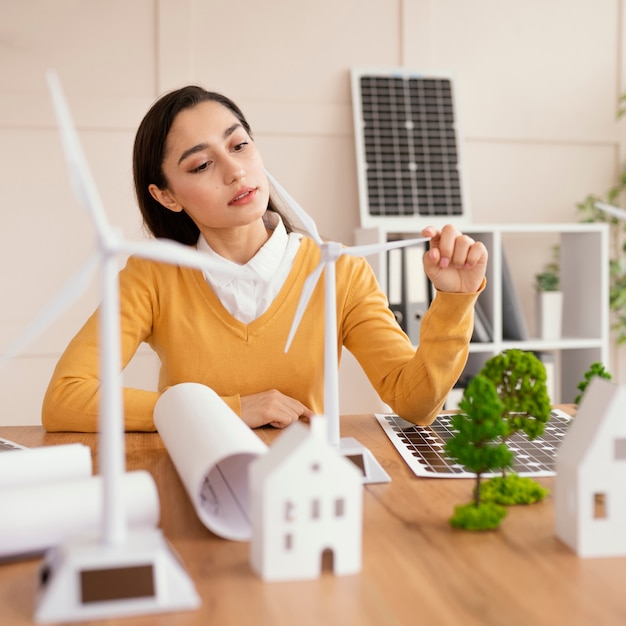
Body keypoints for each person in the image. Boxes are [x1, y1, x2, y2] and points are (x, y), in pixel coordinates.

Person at [41, 85, 488, 433]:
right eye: (201, 165)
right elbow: (65, 398)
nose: (235, 171)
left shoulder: (339, 270)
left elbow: (415, 403)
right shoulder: (153, 276)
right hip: (194, 479)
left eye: (239, 146)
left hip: (305, 481)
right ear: (166, 196)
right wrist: (227, 410)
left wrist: (454, 300)